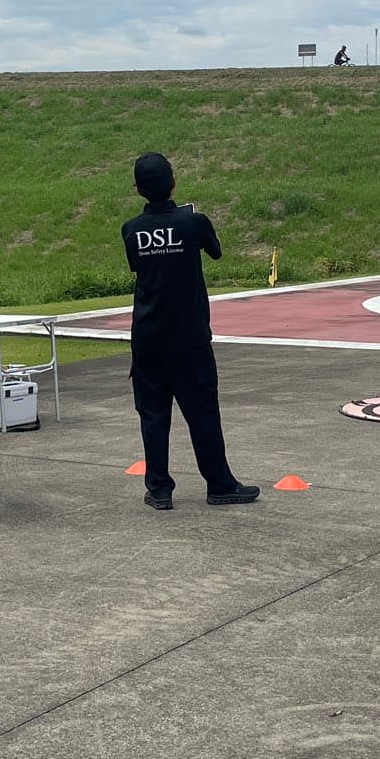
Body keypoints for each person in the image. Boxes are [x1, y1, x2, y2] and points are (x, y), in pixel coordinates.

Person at [120, 153, 261, 512]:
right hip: (189, 336)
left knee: (153, 414)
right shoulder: (193, 222)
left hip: (149, 336)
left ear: (137, 189)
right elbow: (215, 252)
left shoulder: (131, 230)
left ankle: (159, 488)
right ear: (174, 182)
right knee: (202, 412)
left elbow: (138, 266)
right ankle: (219, 483)